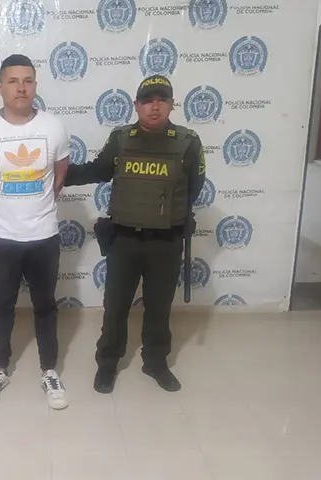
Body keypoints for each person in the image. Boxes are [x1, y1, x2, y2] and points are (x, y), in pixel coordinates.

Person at [63, 74, 206, 393]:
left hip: (166, 240)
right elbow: (98, 170)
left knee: (159, 307)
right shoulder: (121, 139)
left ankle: (155, 362)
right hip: (124, 238)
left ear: (171, 104)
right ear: (136, 105)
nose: (155, 106)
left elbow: (194, 188)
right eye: (147, 100)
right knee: (115, 306)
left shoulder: (188, 142)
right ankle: (107, 363)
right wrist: (58, 174)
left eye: (162, 100)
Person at [0, 54, 70, 409]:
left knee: (46, 305)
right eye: (13, 81)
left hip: (44, 235)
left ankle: (49, 370)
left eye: (27, 80)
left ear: (35, 86)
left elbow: (59, 176)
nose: (21, 88)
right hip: (1, 237)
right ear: (0, 87)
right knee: (2, 305)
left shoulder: (54, 127)